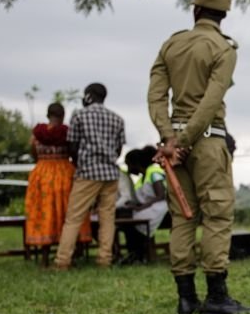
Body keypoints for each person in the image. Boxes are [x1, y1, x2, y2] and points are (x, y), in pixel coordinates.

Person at [148, 0, 250, 314]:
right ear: (223, 15)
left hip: (174, 146)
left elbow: (156, 97)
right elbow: (212, 100)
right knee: (217, 216)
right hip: (207, 142)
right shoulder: (223, 48)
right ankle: (216, 298)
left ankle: (185, 299)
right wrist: (185, 140)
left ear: (195, 10)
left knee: (182, 216)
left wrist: (171, 140)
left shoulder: (171, 44)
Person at [54, 83, 125, 269]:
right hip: (110, 174)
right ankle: (104, 259)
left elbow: (72, 144)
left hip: (88, 172)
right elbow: (119, 149)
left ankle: (62, 261)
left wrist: (81, 164)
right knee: (107, 218)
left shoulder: (79, 115)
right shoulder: (117, 119)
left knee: (74, 218)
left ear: (88, 96)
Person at [24, 103, 91, 255]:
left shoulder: (37, 134)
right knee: (70, 211)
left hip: (42, 175)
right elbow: (75, 152)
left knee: (44, 211)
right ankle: (73, 250)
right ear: (62, 116)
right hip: (65, 174)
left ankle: (45, 251)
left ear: (48, 115)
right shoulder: (67, 133)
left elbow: (34, 154)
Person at [117, 146, 170, 265]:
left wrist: (142, 207)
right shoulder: (142, 177)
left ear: (135, 163)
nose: (128, 169)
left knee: (135, 223)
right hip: (151, 207)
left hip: (161, 208)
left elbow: (160, 195)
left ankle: (138, 255)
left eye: (128, 164)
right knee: (131, 223)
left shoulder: (153, 171)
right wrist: (135, 204)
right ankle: (136, 254)